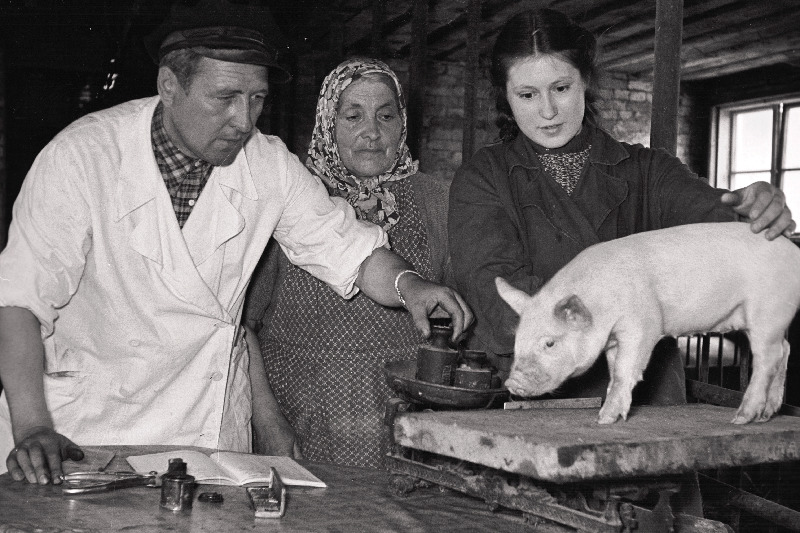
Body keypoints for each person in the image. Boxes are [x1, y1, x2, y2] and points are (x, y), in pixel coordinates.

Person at [0, 2, 471, 486]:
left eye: (257, 98)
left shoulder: (268, 165)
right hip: (84, 429)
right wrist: (33, 425)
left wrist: (409, 284)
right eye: (224, 97)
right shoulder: (82, 157)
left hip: (202, 427)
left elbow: (350, 248)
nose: (243, 120)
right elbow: (18, 303)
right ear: (169, 86)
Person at [448, 8, 793, 515]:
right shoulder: (484, 180)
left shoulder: (646, 171)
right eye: (527, 95)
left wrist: (750, 203)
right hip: (542, 416)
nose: (547, 110)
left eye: (561, 88)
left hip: (650, 412)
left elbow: (715, 214)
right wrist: (626, 318)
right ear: (505, 97)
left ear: (586, 81)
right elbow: (497, 299)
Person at [244, 58, 453, 468]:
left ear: (403, 124)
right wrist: (268, 421)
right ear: (328, 123)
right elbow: (242, 325)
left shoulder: (436, 201)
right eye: (353, 116)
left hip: (404, 419)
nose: (371, 133)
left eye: (386, 116)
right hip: (300, 419)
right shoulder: (293, 200)